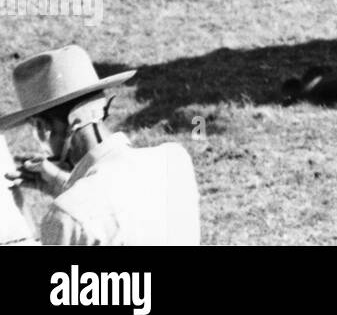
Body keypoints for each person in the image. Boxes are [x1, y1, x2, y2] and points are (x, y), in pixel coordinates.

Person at [0, 45, 200, 246]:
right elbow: (121, 206)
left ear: (68, 125)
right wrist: (62, 185)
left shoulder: (66, 216)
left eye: (41, 129)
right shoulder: (174, 160)